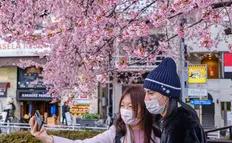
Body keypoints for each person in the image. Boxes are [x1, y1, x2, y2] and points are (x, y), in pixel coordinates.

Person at [29, 86, 161, 143]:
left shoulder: (159, 134)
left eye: (131, 106)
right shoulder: (115, 133)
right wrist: (48, 139)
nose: (125, 110)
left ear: (143, 109)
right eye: (122, 105)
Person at [143, 58, 207, 143]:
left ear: (168, 94)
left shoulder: (181, 125)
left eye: (150, 93)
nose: (146, 99)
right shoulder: (171, 120)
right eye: (145, 93)